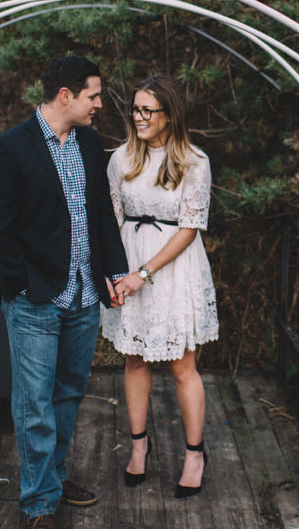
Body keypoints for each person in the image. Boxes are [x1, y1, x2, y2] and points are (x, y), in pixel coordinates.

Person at [0, 55, 129, 529]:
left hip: (85, 295)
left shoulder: (89, 142)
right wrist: (22, 282)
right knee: (34, 405)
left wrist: (113, 272)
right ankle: (40, 503)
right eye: (93, 95)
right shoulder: (10, 147)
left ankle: (54, 475)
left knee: (68, 393)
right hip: (34, 299)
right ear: (65, 96)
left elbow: (101, 216)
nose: (99, 105)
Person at [105, 74, 218, 498]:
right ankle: (139, 448)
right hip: (128, 263)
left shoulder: (193, 161)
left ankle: (194, 455)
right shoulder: (120, 159)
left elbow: (189, 229)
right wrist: (115, 272)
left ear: (169, 116)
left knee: (181, 366)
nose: (138, 117)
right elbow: (112, 219)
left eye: (147, 110)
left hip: (174, 268)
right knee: (134, 360)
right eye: (135, 108)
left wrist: (144, 274)